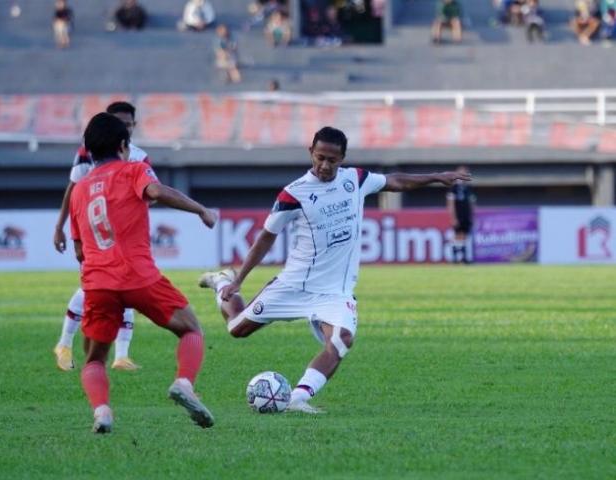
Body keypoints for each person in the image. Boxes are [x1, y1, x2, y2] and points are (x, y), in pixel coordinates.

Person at [198, 127, 471, 414]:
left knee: (341, 341)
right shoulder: (294, 194)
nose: (325, 165)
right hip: (295, 285)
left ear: (342, 159)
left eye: (332, 159)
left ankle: (297, 398)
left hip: (334, 292)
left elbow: (395, 182)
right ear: (310, 153)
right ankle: (222, 282)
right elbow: (267, 236)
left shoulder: (355, 179)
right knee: (236, 329)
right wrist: (239, 279)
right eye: (320, 157)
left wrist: (436, 177)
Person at [70, 112, 217, 432]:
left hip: (98, 283)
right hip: (138, 275)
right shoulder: (134, 169)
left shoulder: (79, 191)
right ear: (124, 145)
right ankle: (184, 384)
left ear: (90, 152)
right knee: (191, 329)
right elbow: (156, 192)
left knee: (94, 359)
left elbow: (79, 248)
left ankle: (102, 413)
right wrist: (201, 209)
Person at [53, 102, 148, 373]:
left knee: (125, 289)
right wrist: (62, 228)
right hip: (95, 234)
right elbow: (75, 192)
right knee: (92, 288)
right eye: (119, 123)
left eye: (128, 124)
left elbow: (148, 195)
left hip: (125, 237)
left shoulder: (139, 157)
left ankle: (121, 356)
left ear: (134, 126)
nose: (124, 129)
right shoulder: (88, 154)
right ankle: (64, 343)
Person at [446, 165, 475, 264]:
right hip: (458, 215)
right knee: (457, 235)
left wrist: (471, 216)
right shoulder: (453, 188)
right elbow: (451, 204)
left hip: (466, 215)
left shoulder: (468, 188)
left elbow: (471, 204)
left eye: (465, 173)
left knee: (464, 236)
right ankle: (454, 257)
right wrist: (453, 217)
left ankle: (463, 257)